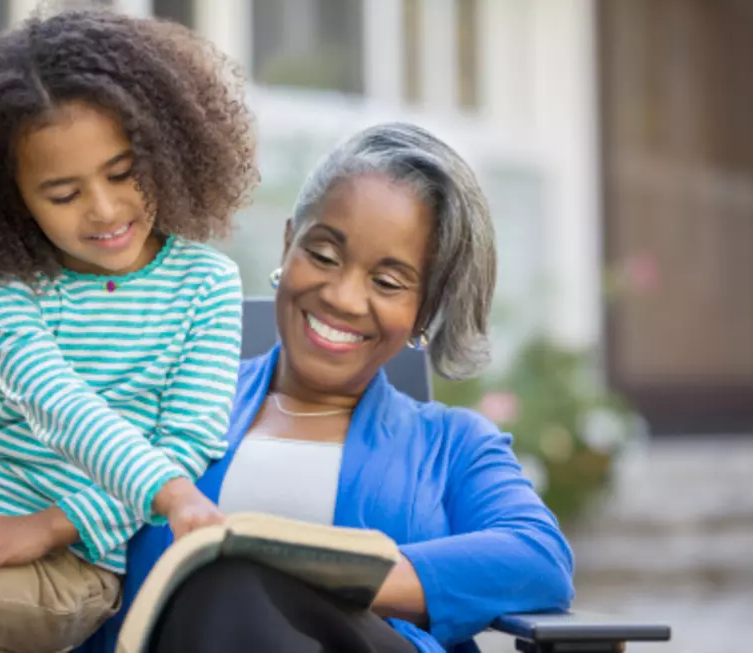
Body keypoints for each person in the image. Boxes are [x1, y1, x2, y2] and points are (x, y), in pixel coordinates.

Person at [75, 122, 575, 653]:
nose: (342, 296)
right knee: (221, 587)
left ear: (422, 311)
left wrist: (316, 570)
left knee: (231, 578)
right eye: (323, 254)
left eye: (387, 282)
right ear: (289, 244)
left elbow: (539, 557)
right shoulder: (168, 398)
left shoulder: (452, 444)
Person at [0, 7, 257, 652]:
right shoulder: (5, 284)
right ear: (9, 198)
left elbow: (187, 440)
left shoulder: (205, 284)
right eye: (64, 194)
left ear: (168, 148)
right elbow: (52, 398)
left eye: (122, 173)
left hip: (72, 566)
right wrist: (170, 495)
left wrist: (54, 524)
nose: (107, 210)